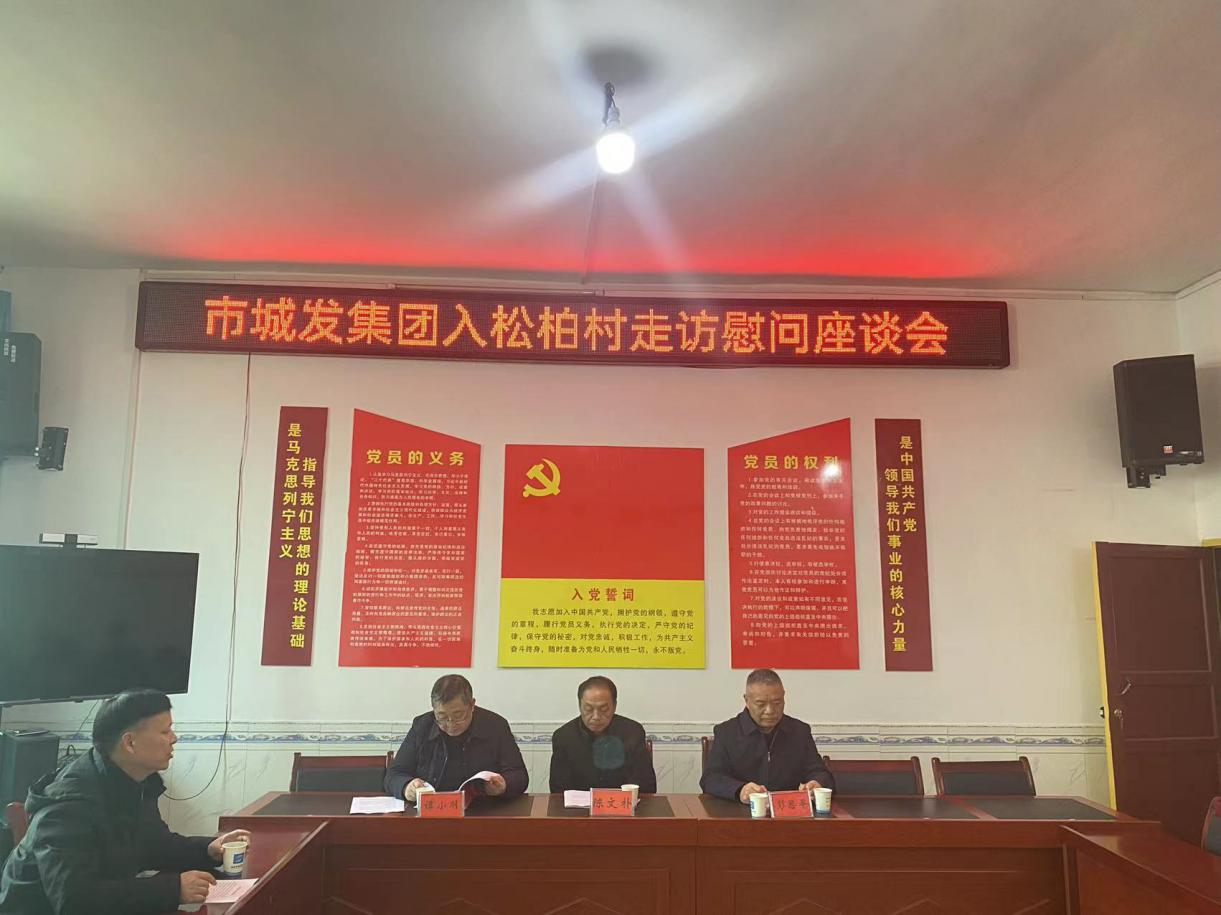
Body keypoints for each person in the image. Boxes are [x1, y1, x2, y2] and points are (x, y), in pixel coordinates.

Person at [0, 689, 250, 914]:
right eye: (165, 731)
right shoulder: (68, 806)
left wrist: (208, 849)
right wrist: (174, 889)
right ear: (129, 742)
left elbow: (155, 845)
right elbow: (75, 900)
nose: (174, 738)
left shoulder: (135, 780)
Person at [385, 674, 528, 803]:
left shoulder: (495, 726)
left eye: (458, 715)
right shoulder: (422, 726)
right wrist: (406, 786)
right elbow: (394, 774)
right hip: (432, 810)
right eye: (441, 717)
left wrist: (504, 785)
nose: (450, 724)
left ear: (472, 705)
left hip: (482, 810)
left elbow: (519, 775)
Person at [700, 668, 834, 803]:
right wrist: (740, 790)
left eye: (777, 703)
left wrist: (817, 783)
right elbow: (710, 779)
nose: (770, 711)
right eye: (761, 704)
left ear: (784, 697)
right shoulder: (727, 732)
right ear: (746, 700)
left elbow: (820, 773)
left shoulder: (799, 731)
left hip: (787, 810)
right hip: (740, 811)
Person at [549, 676, 657, 793]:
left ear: (614, 706)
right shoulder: (564, 737)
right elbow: (558, 790)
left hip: (623, 803)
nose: (596, 716)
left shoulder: (632, 733)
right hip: (579, 804)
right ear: (580, 706)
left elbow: (646, 786)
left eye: (604, 709)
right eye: (588, 709)